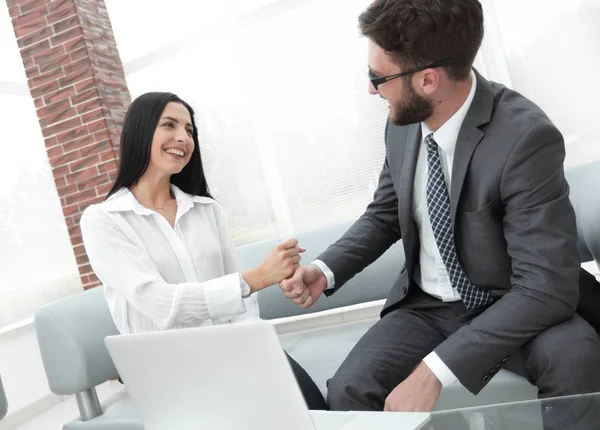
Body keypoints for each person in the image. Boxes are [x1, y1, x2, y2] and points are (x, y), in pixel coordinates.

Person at [279, 0, 600, 419]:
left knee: (575, 358)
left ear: (428, 79)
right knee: (348, 392)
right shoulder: (405, 119)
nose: (371, 89)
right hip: (427, 307)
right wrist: (323, 271)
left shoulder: (526, 138)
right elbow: (384, 213)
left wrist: (433, 371)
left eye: (378, 77)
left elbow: (543, 287)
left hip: (512, 300)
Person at [80, 92, 327, 410]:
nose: (182, 137)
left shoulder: (207, 210)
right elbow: (160, 303)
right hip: (170, 371)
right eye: (169, 125)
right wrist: (258, 277)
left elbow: (245, 307)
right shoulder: (103, 220)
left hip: (235, 349)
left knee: (314, 408)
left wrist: (252, 346)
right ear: (140, 132)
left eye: (189, 130)